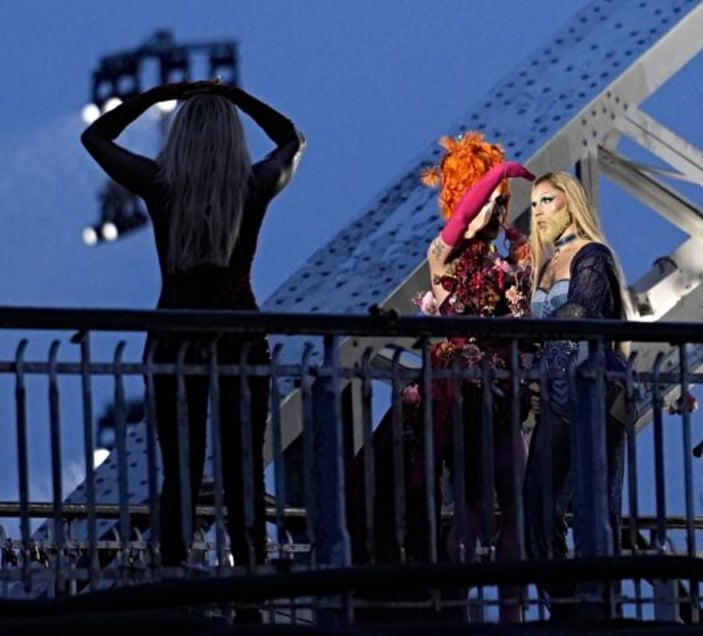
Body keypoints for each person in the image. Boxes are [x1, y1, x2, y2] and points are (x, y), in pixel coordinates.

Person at [80, 81, 305, 604]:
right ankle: (250, 599)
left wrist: (160, 92)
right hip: (241, 340)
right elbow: (292, 138)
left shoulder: (161, 185)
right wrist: (242, 98)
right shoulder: (253, 186)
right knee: (243, 475)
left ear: (179, 137)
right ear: (232, 138)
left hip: (174, 338)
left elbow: (95, 137)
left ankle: (175, 590)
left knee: (179, 473)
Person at [346, 132, 534, 623]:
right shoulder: (442, 255)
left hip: (500, 389)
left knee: (513, 501)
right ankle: (460, 613)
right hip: (457, 391)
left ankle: (510, 618)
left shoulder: (506, 263)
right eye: (488, 202)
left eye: (502, 206)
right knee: (470, 511)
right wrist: (499, 173)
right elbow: (461, 220)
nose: (495, 212)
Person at [522, 171, 630, 621]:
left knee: (593, 505)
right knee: (536, 505)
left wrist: (540, 369)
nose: (539, 210)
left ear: (571, 202)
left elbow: (581, 309)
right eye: (533, 204)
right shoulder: (545, 265)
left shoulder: (593, 256)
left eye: (548, 199)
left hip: (594, 389)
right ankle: (569, 606)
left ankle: (596, 608)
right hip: (558, 395)